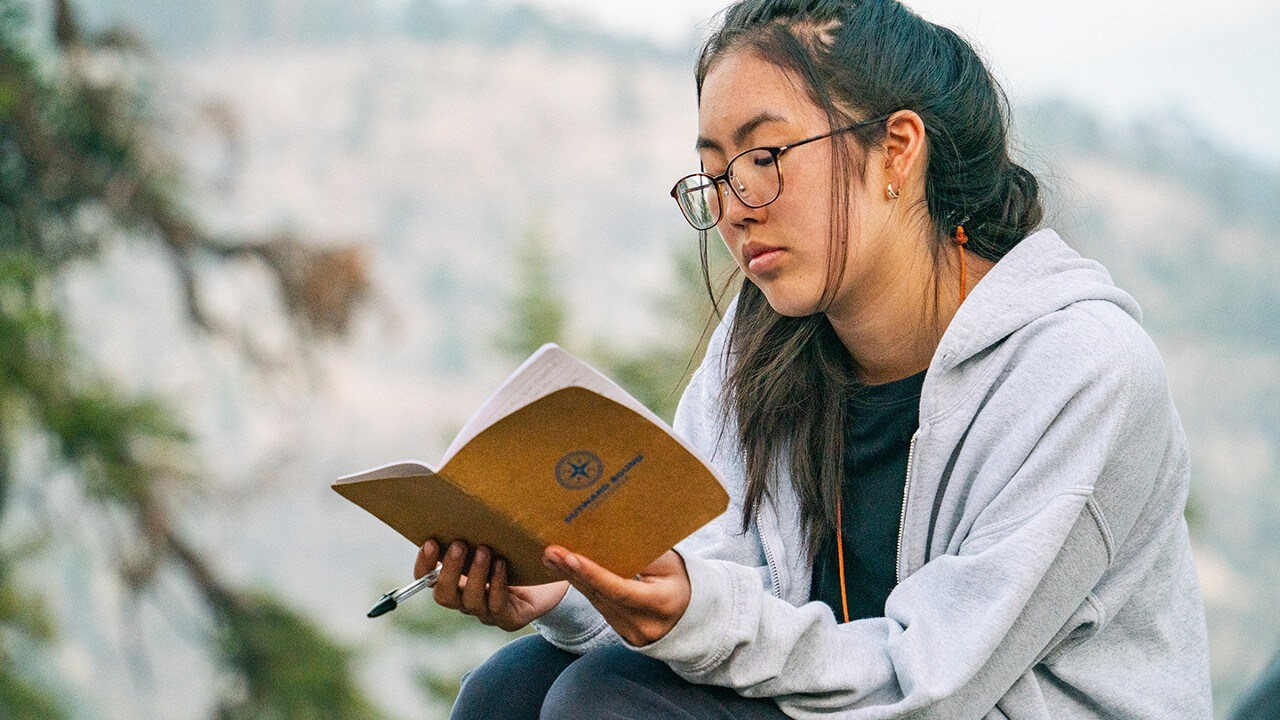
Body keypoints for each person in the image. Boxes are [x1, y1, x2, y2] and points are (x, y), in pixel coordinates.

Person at [415, 0, 1213, 717]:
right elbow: (705, 583)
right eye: (716, 173)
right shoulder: (762, 341)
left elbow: (932, 683)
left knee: (606, 702)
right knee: (509, 693)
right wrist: (569, 588)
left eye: (765, 158)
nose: (731, 210)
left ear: (897, 150)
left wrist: (695, 616)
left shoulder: (1083, 371)